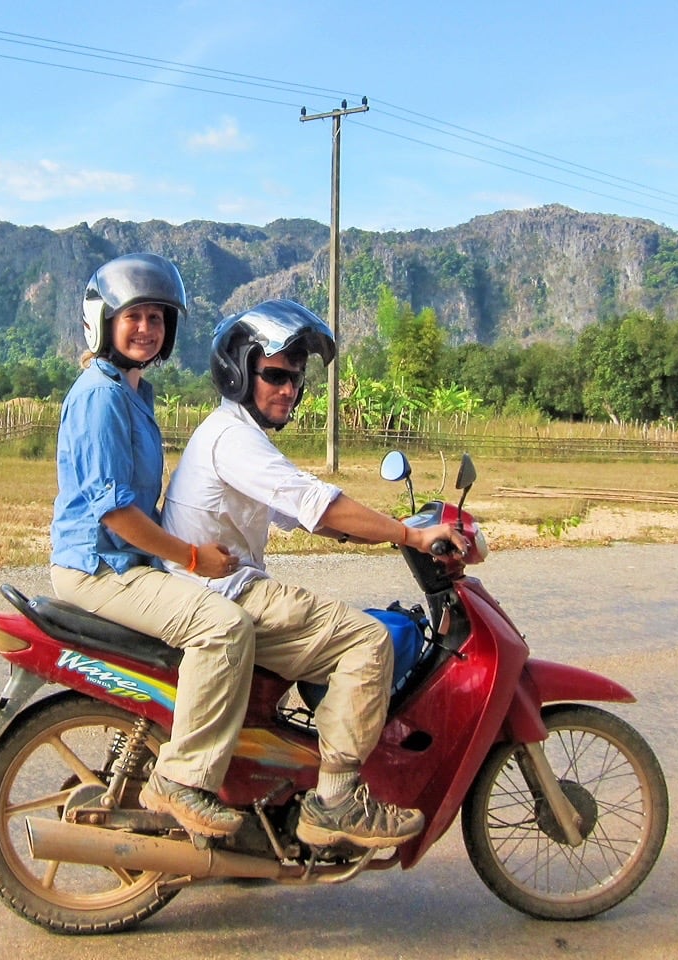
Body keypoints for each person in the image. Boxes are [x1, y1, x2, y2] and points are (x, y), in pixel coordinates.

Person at [160, 298, 469, 849]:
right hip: (223, 592)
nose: (288, 391)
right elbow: (317, 504)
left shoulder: (235, 436)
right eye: (275, 375)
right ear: (239, 371)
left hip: (209, 588)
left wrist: (387, 527)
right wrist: (412, 536)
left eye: (296, 381)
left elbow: (308, 517)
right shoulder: (233, 438)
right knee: (368, 642)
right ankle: (335, 799)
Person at [49, 251, 253, 839]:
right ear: (104, 321)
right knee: (223, 629)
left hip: (125, 561)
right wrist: (190, 559)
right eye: (134, 316)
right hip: (99, 567)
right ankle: (182, 781)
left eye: (158, 318)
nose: (146, 329)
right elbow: (114, 512)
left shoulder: (135, 392)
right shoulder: (101, 395)